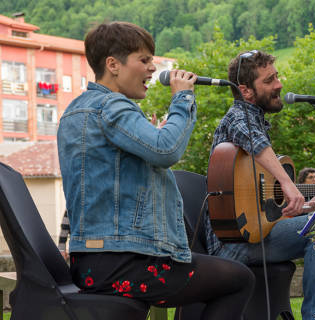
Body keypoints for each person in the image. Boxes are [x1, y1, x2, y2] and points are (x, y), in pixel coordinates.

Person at [57, 22, 254, 319]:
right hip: (124, 261)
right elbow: (166, 149)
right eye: (144, 59)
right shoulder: (112, 108)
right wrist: (183, 97)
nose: (152, 68)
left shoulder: (76, 110)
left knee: (211, 277)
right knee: (239, 279)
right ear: (113, 64)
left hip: (96, 260)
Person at [204, 50, 315, 320]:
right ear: (245, 90)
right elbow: (249, 135)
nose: (279, 84)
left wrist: (304, 206)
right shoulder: (237, 118)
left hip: (255, 233)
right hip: (232, 243)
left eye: (277, 76)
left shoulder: (257, 124)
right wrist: (289, 184)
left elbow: (263, 210)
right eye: (269, 80)